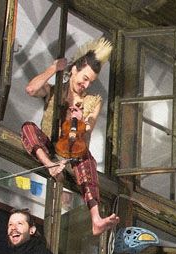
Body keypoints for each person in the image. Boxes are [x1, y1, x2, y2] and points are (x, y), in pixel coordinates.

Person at [21, 37, 119, 236]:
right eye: (84, 78)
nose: (86, 85)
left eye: (90, 82)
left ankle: (96, 218)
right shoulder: (55, 90)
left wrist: (80, 122)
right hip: (49, 146)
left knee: (87, 158)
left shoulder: (92, 101)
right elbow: (31, 89)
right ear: (74, 69)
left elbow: (88, 133)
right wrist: (53, 68)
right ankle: (50, 166)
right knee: (27, 127)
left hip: (73, 152)